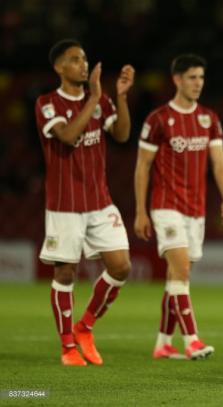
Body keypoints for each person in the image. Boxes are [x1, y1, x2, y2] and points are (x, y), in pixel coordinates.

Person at [35, 39, 135, 366]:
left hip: (99, 201)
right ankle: (67, 347)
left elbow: (121, 135)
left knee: (121, 266)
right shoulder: (47, 104)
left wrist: (119, 97)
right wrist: (93, 98)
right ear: (59, 67)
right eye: (75, 59)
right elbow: (67, 136)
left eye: (84, 58)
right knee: (65, 273)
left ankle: (85, 326)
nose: (83, 64)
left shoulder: (101, 100)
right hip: (64, 204)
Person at [134, 54, 223, 360]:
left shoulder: (209, 118)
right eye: (192, 77)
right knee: (180, 272)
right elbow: (143, 167)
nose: (197, 84)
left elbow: (219, 164)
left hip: (196, 208)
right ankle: (191, 339)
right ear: (176, 79)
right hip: (166, 206)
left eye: (201, 78)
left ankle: (163, 343)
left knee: (175, 277)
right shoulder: (158, 119)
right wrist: (141, 210)